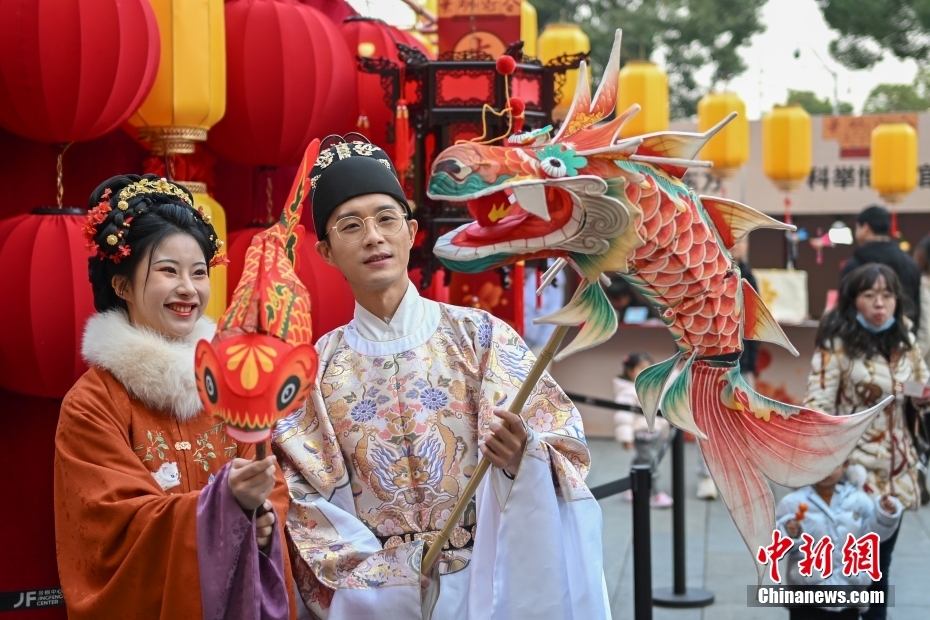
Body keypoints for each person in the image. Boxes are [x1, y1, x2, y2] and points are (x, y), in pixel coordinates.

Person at [272, 138, 608, 619]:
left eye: (386, 219)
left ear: (411, 232)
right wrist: (384, 576)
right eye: (351, 226)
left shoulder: (480, 336)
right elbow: (302, 497)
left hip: (486, 578)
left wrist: (523, 456)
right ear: (325, 250)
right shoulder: (315, 371)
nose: (373, 237)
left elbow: (564, 445)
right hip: (379, 599)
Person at [55, 175, 294, 619]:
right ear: (122, 286)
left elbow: (272, 491)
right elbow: (109, 529)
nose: (188, 288)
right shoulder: (93, 402)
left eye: (199, 272)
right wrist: (223, 504)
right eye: (168, 270)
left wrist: (262, 522)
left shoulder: (232, 384)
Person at [803, 263, 926, 620]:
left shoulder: (905, 339)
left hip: (897, 469)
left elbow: (917, 385)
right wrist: (828, 463)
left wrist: (918, 394)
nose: (879, 304)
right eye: (869, 295)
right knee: (848, 568)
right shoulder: (836, 345)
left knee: (880, 566)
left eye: (887, 295)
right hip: (853, 469)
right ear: (852, 300)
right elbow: (818, 406)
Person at [776, 461, 903, 620]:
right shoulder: (793, 503)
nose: (827, 471)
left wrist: (884, 514)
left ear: (846, 466)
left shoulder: (860, 501)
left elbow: (873, 536)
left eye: (833, 464)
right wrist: (789, 532)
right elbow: (777, 544)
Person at [839, 205, 921, 330]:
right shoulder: (910, 264)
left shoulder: (853, 266)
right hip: (903, 336)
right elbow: (917, 307)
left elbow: (844, 307)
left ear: (865, 228)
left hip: (858, 340)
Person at [613, 352, 673, 508]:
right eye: (641, 368)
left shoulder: (652, 386)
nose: (646, 372)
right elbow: (623, 417)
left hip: (656, 433)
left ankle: (630, 487)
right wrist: (626, 438)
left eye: (649, 368)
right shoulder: (628, 392)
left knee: (641, 460)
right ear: (630, 371)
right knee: (650, 463)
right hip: (642, 434)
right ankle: (657, 494)